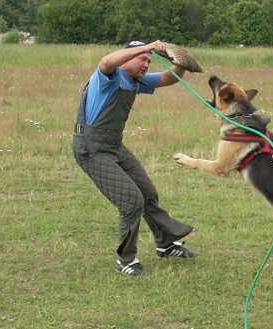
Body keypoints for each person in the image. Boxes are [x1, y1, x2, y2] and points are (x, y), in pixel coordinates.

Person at [72, 40, 198, 276]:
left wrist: (179, 61)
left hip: (113, 145)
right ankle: (126, 261)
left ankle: (165, 244)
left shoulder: (135, 80)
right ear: (128, 57)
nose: (146, 64)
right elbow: (107, 61)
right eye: (143, 59)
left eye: (149, 61)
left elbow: (171, 78)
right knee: (131, 202)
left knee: (148, 193)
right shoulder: (109, 75)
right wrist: (147, 47)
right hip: (91, 149)